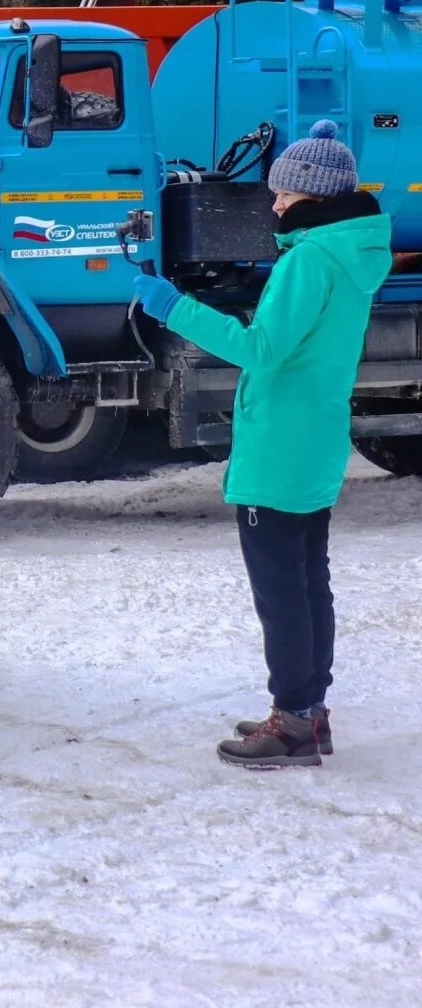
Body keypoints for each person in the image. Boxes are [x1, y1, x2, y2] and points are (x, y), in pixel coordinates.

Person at [133, 127, 391, 767]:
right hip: (313, 442)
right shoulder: (347, 253)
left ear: (314, 194)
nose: (275, 205)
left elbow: (261, 350)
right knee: (307, 585)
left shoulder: (308, 259)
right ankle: (310, 710)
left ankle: (293, 724)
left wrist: (175, 308)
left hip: (279, 449)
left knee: (282, 595)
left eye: (283, 193)